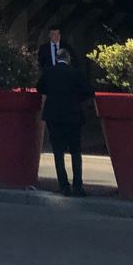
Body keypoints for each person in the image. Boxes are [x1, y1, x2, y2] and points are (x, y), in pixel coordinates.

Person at [38, 44, 92, 196]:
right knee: (75, 151)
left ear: (57, 59)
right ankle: (78, 185)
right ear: (68, 59)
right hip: (73, 115)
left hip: (54, 116)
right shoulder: (76, 73)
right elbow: (88, 91)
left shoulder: (49, 72)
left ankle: (63, 185)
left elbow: (40, 88)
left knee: (58, 151)